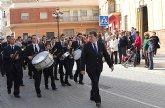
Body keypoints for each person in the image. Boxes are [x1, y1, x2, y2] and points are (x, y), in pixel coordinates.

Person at [80, 31, 114, 107]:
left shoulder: (101, 44)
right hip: (90, 68)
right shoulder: (86, 46)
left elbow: (106, 55)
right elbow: (83, 58)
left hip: (98, 68)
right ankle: (98, 100)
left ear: (96, 37)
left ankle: (92, 95)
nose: (89, 38)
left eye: (91, 36)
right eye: (89, 37)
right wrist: (82, 69)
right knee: (95, 82)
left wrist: (110, 65)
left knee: (95, 82)